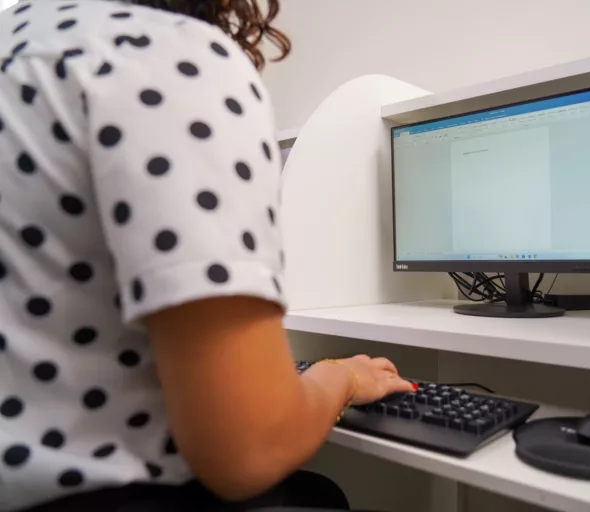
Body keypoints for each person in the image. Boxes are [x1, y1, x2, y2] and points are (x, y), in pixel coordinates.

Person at [0, 0, 416, 510]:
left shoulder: (16, 41)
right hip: (108, 495)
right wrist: (343, 376)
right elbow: (250, 451)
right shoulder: (160, 58)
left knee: (317, 490)